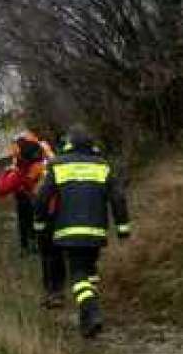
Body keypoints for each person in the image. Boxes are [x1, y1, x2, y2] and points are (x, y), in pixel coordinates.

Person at [33, 125, 131, 338]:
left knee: (77, 274)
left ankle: (91, 310)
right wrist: (123, 228)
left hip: (68, 232)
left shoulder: (57, 165)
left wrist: (39, 224)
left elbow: (42, 197)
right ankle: (86, 320)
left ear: (68, 144)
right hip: (96, 232)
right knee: (89, 270)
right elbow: (118, 198)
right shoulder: (102, 166)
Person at [0, 131, 66, 308]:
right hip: (62, 208)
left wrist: (7, 170)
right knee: (57, 251)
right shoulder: (48, 158)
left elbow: (1, 189)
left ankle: (52, 292)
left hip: (43, 211)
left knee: (47, 251)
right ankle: (57, 290)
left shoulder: (21, 170)